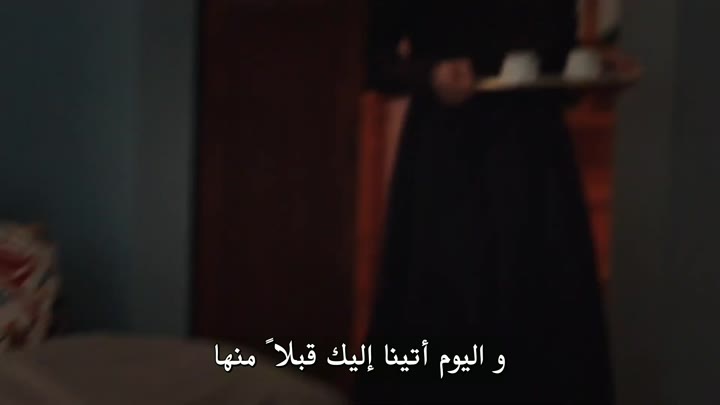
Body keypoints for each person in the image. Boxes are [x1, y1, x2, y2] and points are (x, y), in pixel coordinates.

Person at [356, 1, 614, 404]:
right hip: (449, 159)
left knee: (545, 312)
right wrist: (431, 74)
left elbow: (557, 59)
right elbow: (372, 61)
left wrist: (587, 75)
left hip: (536, 162)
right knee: (448, 304)